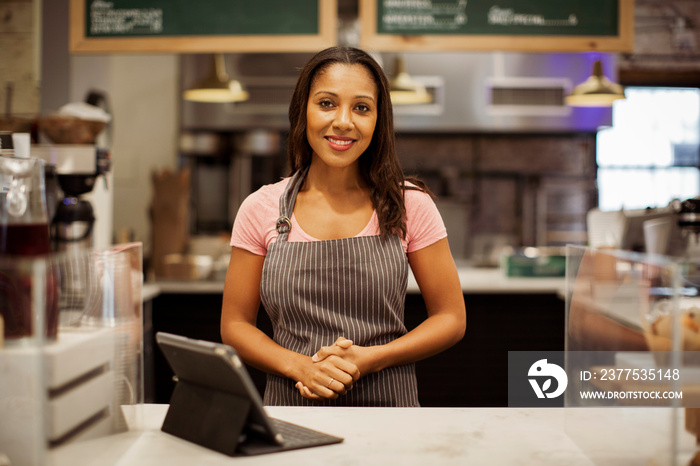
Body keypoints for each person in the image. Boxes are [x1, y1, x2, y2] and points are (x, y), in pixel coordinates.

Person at [221, 46, 466, 407]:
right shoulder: (261, 208)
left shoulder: (410, 204)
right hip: (294, 410)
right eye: (326, 103)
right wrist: (301, 367)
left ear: (378, 120)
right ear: (302, 111)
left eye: (362, 108)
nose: (344, 121)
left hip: (389, 412)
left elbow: (451, 318)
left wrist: (371, 359)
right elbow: (235, 325)